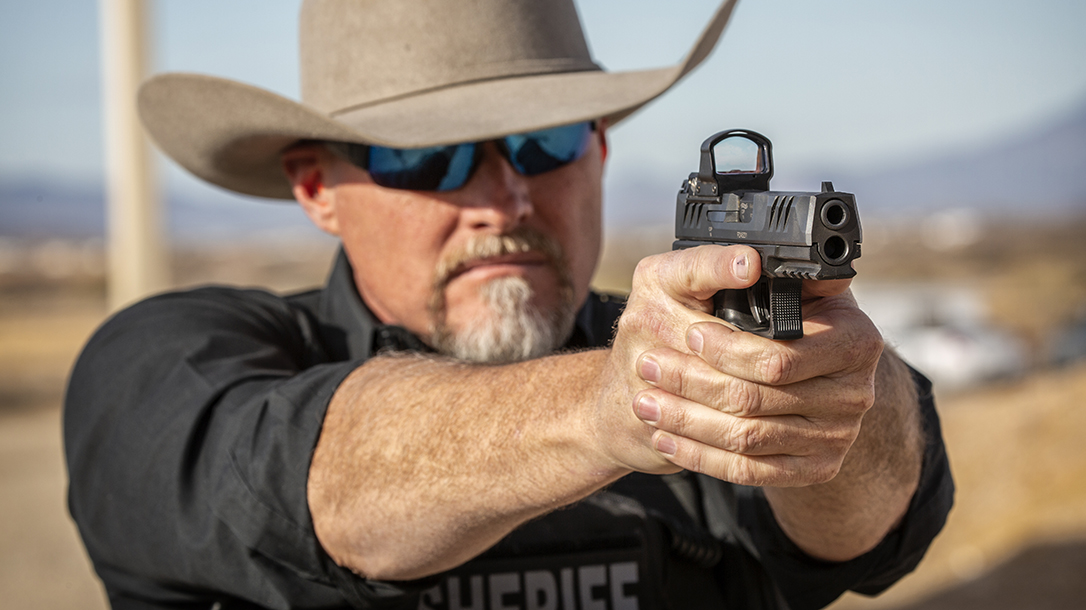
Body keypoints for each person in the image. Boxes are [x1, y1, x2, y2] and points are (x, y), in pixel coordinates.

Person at [64, 1, 953, 609]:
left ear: (599, 153)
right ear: (316, 187)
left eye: (544, 142)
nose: (503, 199)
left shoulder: (699, 350)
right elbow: (307, 479)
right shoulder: (175, 358)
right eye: (429, 157)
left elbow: (872, 532)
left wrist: (839, 392)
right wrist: (618, 406)